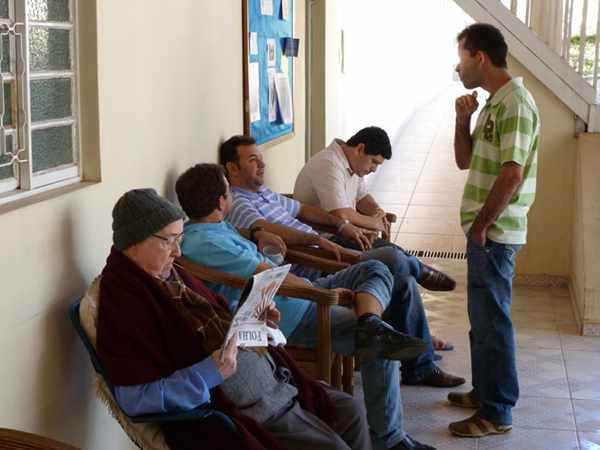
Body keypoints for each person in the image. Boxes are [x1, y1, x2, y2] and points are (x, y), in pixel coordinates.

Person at [176, 164, 466, 450]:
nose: (231, 196)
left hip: (300, 294)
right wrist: (321, 293)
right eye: (228, 191)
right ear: (220, 201)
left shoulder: (211, 228)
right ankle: (389, 439)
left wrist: (256, 233)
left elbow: (255, 250)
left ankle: (370, 321)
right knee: (383, 342)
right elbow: (272, 277)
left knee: (377, 267)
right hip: (290, 312)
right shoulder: (205, 243)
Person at [91, 188, 374, 450]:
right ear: (135, 242)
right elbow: (136, 400)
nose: (177, 251)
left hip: (274, 382)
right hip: (244, 411)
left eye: (179, 240)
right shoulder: (125, 305)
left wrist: (251, 315)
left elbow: (214, 315)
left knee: (351, 411)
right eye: (169, 241)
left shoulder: (170, 274)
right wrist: (209, 373)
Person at [220, 134, 455, 353]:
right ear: (232, 168)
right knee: (393, 262)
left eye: (261, 158)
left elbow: (304, 209)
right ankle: (419, 276)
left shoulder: (264, 193)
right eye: (253, 160)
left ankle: (418, 348)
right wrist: (317, 239)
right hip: (317, 263)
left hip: (325, 248)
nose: (263, 164)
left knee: (399, 274)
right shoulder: (239, 203)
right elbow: (264, 230)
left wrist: (341, 225)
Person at [447, 23, 540, 437]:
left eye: (462, 58)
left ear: (480, 57)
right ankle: (485, 392)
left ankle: (497, 411)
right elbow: (464, 161)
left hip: (494, 234)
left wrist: (483, 226)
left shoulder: (515, 103)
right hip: (484, 232)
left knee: (493, 322)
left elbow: (512, 174)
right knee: (482, 320)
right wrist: (461, 120)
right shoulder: (492, 104)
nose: (458, 67)